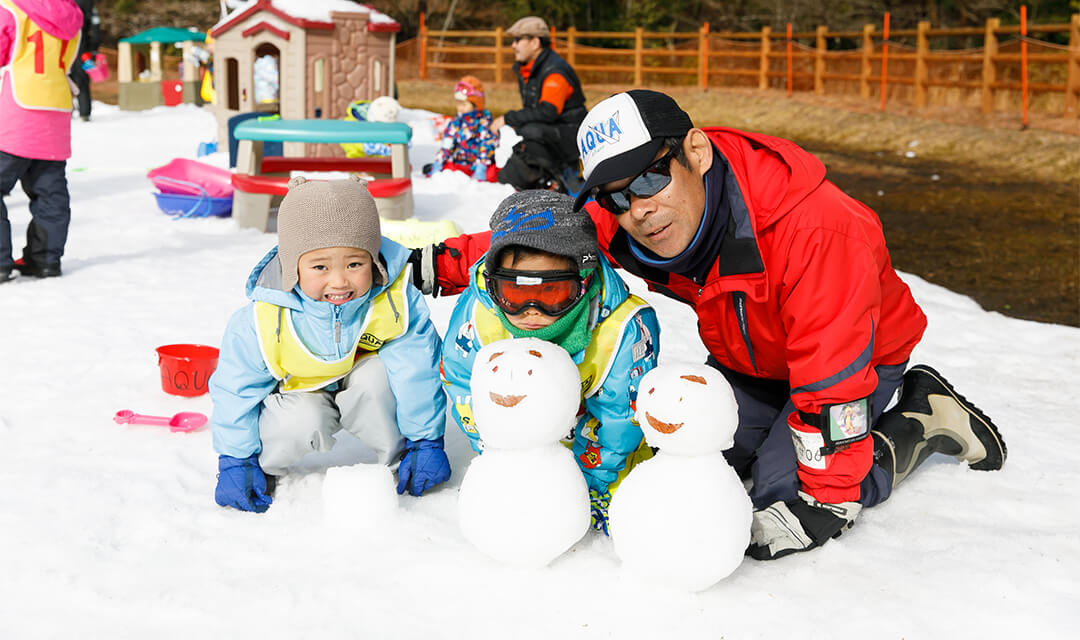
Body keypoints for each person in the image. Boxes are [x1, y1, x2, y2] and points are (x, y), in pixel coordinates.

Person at [412, 89, 1007, 560]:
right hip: (750, 362)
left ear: (695, 152)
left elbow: (832, 372)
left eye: (648, 178)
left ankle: (923, 420)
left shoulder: (816, 230)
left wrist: (828, 494)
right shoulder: (640, 216)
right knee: (691, 466)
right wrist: (440, 263)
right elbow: (546, 242)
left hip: (851, 363)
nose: (638, 209)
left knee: (786, 503)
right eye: (617, 196)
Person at [209, 176, 450, 513]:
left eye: (355, 264)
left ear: (375, 260)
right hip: (297, 392)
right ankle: (258, 468)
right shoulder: (264, 318)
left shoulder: (395, 303)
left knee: (378, 381)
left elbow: (417, 373)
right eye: (320, 266)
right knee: (301, 420)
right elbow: (236, 389)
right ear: (293, 267)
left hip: (361, 378)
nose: (339, 281)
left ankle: (401, 458)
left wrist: (426, 440)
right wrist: (235, 458)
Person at [439, 190, 661, 533]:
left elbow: (620, 418)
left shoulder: (619, 330)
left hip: (596, 444)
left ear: (583, 282)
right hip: (518, 441)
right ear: (494, 283)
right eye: (514, 294)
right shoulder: (480, 315)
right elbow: (461, 382)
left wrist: (591, 484)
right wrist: (498, 450)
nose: (531, 312)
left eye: (550, 294)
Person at [0, 0, 83, 283]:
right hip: (55, 109)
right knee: (50, 192)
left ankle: (0, 261)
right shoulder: (71, 13)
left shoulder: (10, 8)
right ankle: (45, 259)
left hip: (17, 109)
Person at [493, 16, 586, 193]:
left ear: (535, 42)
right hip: (554, 132)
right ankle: (539, 179)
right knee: (524, 138)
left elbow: (548, 112)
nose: (513, 45)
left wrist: (507, 118)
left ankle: (563, 178)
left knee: (531, 131)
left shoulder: (554, 71)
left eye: (518, 40)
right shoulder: (529, 68)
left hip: (572, 135)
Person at [423, 76, 497, 182]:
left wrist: (482, 164)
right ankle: (439, 168)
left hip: (479, 164)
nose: (460, 108)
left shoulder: (483, 122)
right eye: (458, 104)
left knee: (493, 173)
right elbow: (447, 144)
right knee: (447, 168)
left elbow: (486, 144)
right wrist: (439, 161)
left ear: (476, 105)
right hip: (460, 163)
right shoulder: (456, 123)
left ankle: (482, 172)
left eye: (464, 105)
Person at [69, 0, 99, 122]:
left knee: (64, 80)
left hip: (64, 48)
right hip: (83, 50)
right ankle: (84, 112)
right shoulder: (88, 3)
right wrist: (94, 49)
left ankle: (66, 110)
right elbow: (96, 26)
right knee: (83, 81)